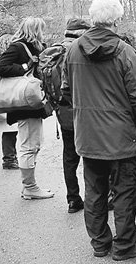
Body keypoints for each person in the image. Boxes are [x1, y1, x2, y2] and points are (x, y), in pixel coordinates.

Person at [61, 0, 136, 261]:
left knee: (95, 191)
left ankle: (100, 244)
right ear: (116, 20)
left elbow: (67, 90)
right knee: (124, 192)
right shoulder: (125, 51)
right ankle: (124, 246)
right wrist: (134, 124)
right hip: (120, 136)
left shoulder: (74, 49)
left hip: (88, 136)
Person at [0, 17, 54, 199]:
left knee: (33, 144)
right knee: (29, 146)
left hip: (32, 103)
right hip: (24, 103)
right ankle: (30, 187)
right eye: (41, 29)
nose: (43, 32)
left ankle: (30, 186)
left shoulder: (35, 46)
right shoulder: (18, 46)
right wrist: (25, 66)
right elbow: (0, 67)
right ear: (34, 30)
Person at [56, 17, 90, 213]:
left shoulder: (55, 50)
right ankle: (94, 198)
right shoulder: (80, 50)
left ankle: (72, 199)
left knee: (69, 157)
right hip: (81, 110)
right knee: (88, 156)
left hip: (62, 111)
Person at [0, 33, 19, 170]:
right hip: (5, 96)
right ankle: (9, 157)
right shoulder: (8, 61)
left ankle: (9, 157)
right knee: (9, 128)